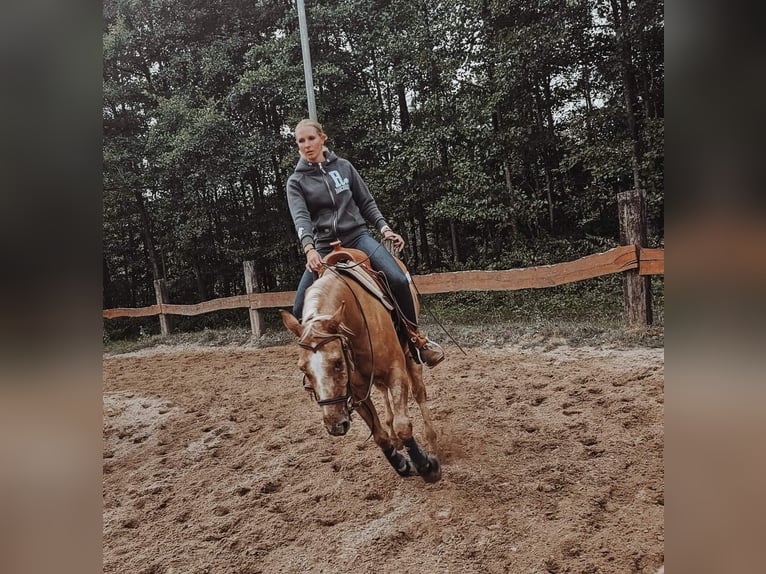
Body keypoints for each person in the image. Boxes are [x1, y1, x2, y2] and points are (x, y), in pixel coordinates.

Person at [285, 119, 445, 368]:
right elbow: (301, 218)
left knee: (398, 279)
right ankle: (327, 367)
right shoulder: (296, 182)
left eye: (311, 138)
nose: (306, 145)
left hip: (357, 237)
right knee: (297, 309)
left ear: (322, 138)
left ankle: (416, 339)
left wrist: (385, 228)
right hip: (324, 247)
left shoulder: (345, 168)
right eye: (301, 141)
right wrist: (309, 248)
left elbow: (366, 202)